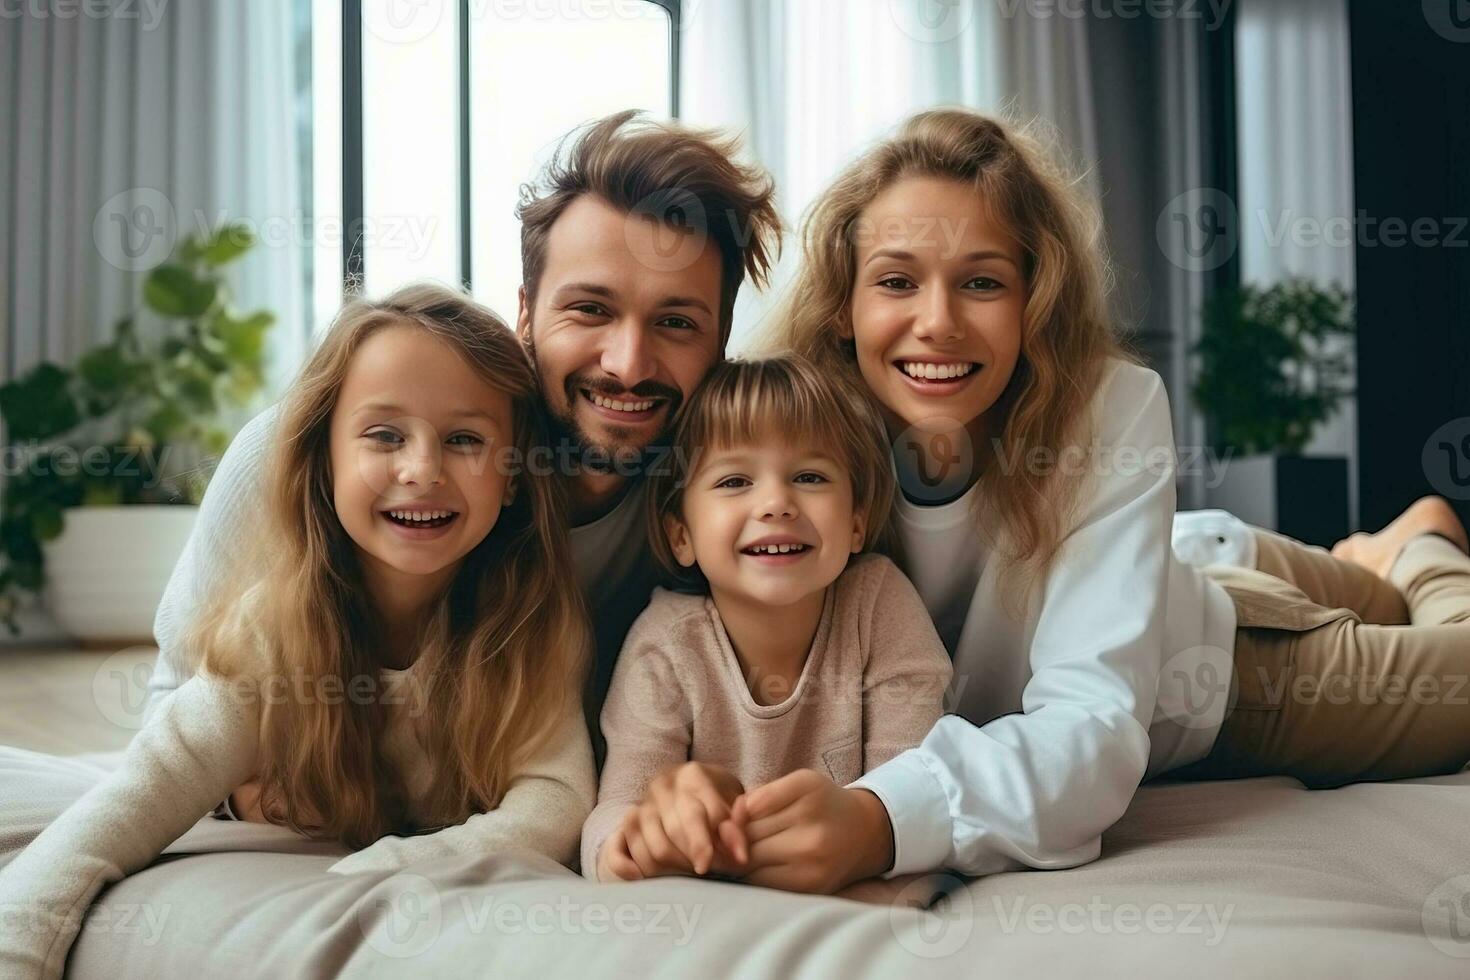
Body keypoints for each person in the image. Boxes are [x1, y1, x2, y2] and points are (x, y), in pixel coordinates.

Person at [753, 106, 1470, 891]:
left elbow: (1089, 731)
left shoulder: (1106, 406)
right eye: (895, 281)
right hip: (1171, 562)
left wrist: (880, 821)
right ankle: (1351, 550)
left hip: (1222, 665)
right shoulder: (785, 447)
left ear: (1035, 302)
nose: (937, 322)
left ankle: (1422, 546)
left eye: (983, 282)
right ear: (843, 305)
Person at [145, 110, 783, 786]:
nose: (627, 364)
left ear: (721, 344)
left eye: (676, 322)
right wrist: (249, 794)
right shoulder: (291, 457)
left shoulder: (734, 500)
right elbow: (171, 711)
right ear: (527, 314)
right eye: (590, 310)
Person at [0, 284, 596, 979]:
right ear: (326, 459)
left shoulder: (532, 629)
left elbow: (556, 799)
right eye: (384, 435)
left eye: (465, 439)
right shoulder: (275, 626)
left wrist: (400, 863)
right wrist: (21, 941)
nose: (422, 469)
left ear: (516, 477)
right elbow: (152, 781)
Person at [580, 356, 952, 887]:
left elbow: (916, 784)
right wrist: (631, 844)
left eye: (809, 476)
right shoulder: (665, 645)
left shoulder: (879, 604)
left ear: (855, 523)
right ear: (680, 535)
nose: (776, 503)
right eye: (734, 480)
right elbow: (616, 808)